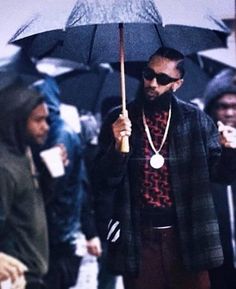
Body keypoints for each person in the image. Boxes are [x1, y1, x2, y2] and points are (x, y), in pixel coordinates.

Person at [93, 47, 236, 289]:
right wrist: (117, 147)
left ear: (177, 84)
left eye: (162, 79)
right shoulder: (119, 118)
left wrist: (230, 151)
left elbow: (221, 175)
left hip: (188, 235)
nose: (152, 83)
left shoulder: (196, 119)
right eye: (148, 74)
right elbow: (102, 181)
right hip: (139, 237)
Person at [33, 76, 101, 289]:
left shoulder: (57, 135)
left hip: (57, 233)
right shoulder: (55, 131)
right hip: (60, 230)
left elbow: (53, 188)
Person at [0, 78, 49, 289]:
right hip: (15, 278)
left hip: (32, 274)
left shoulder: (24, 153)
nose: (46, 127)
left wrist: (49, 175)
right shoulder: (4, 167)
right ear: (17, 121)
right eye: (38, 120)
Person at [204, 68, 236, 289]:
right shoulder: (203, 144)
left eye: (235, 106)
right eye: (223, 106)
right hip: (216, 251)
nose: (230, 113)